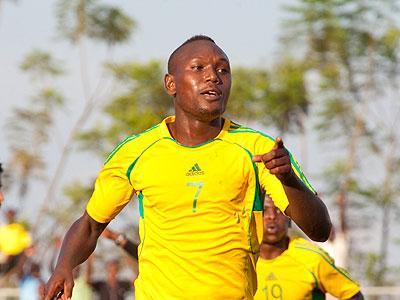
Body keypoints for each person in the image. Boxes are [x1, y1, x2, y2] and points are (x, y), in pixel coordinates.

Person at [44, 35, 332, 300]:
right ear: (171, 84)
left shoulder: (258, 148)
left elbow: (319, 230)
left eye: (223, 70)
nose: (214, 77)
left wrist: (289, 179)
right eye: (199, 68)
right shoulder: (136, 152)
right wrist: (64, 265)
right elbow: (91, 224)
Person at [255, 196, 363, 300]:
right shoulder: (242, 259)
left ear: (289, 218)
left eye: (279, 210)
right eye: (264, 210)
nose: (272, 216)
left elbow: (353, 294)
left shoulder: (312, 258)